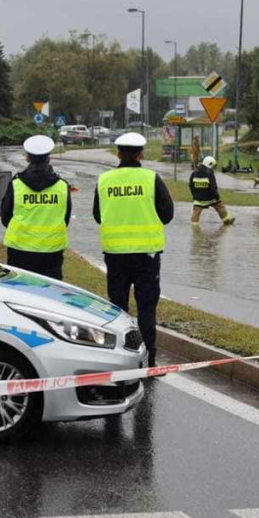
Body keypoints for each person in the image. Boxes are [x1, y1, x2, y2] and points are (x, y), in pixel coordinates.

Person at [93, 132, 175, 368]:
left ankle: (120, 362)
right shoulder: (151, 178)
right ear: (140, 154)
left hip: (115, 255)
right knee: (146, 309)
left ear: (118, 153)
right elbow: (167, 214)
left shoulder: (105, 180)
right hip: (146, 255)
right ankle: (149, 362)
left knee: (117, 308)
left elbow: (98, 216)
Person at [0, 135, 72, 280]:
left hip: (19, 250)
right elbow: (66, 217)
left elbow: (5, 216)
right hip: (52, 251)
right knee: (50, 292)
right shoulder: (62, 186)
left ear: (27, 158)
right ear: (49, 158)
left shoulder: (16, 184)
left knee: (20, 291)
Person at [189, 156, 235, 225]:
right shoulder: (209, 173)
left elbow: (191, 185)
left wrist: (194, 195)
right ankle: (227, 220)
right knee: (220, 206)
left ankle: (194, 228)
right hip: (210, 197)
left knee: (196, 211)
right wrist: (216, 196)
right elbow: (213, 186)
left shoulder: (194, 173)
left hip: (198, 197)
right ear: (210, 164)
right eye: (213, 166)